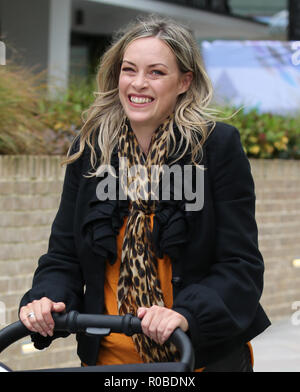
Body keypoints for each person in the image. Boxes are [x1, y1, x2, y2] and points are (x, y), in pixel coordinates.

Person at [19, 15, 270, 371]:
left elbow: (240, 265)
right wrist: (47, 300)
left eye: (156, 72)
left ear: (185, 81)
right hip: (109, 361)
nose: (138, 83)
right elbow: (65, 257)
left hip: (196, 358)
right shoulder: (93, 150)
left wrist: (185, 316)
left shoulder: (215, 148)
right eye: (128, 70)